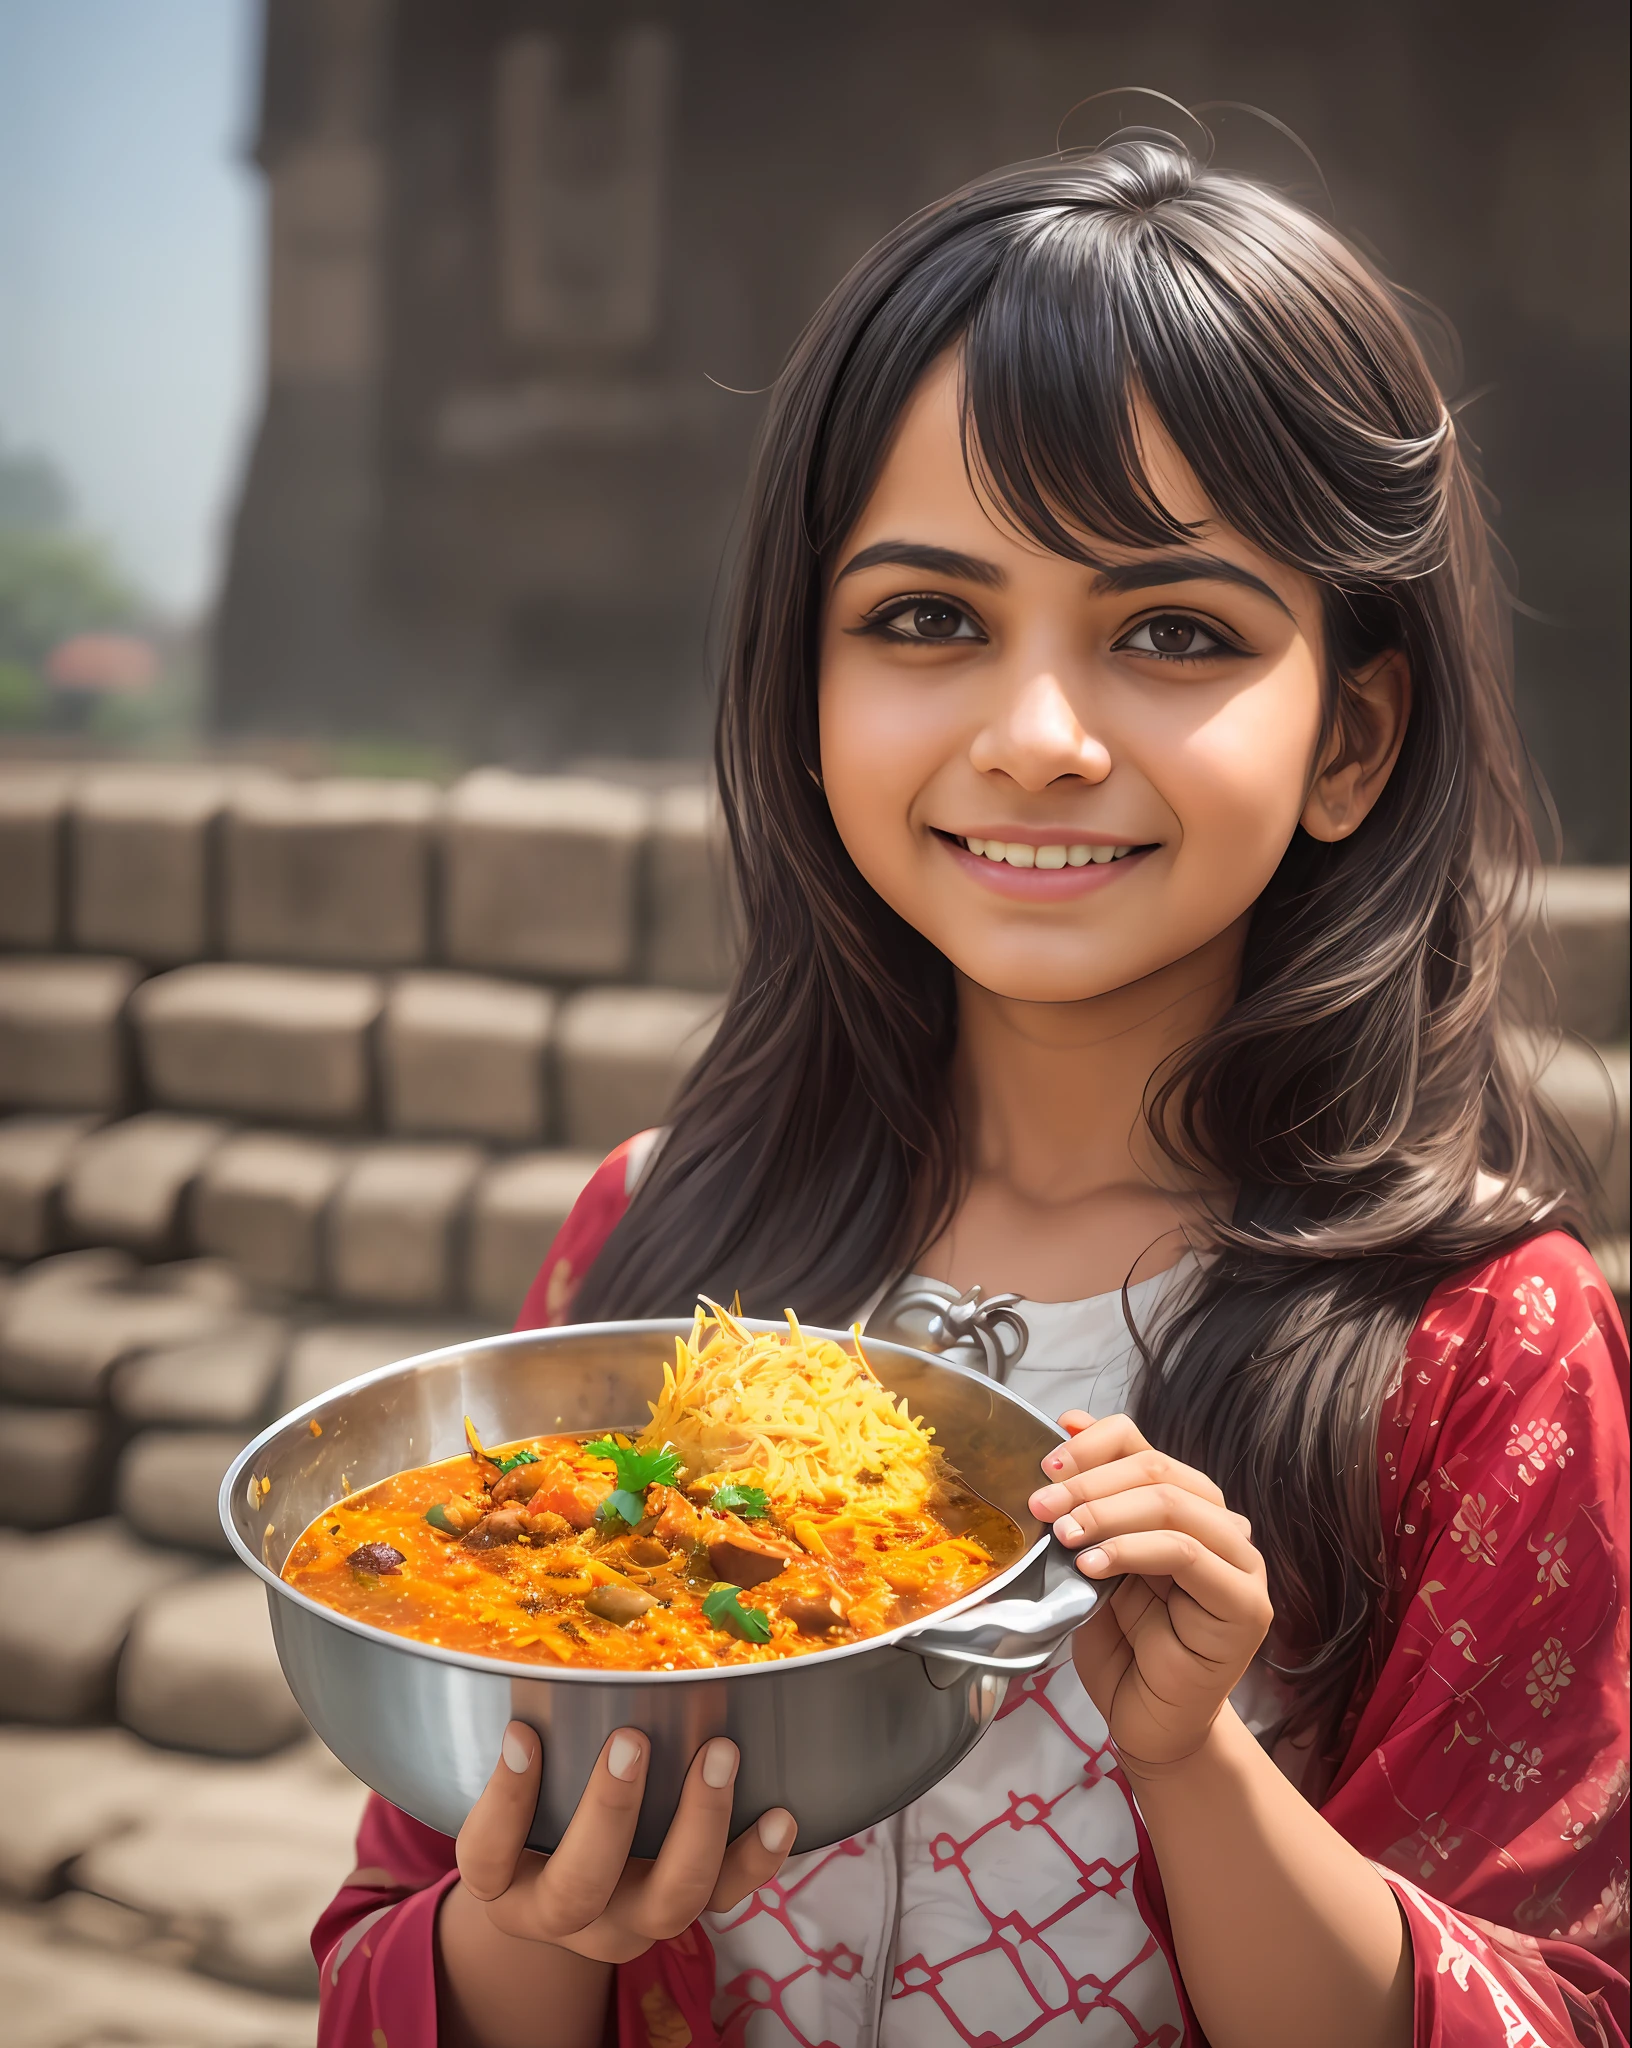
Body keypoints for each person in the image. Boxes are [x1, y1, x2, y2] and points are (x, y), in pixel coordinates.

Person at [312, 134, 1629, 2048]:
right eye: (927, 618)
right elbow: (394, 1930)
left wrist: (1195, 1763)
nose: (1036, 739)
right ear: (807, 683)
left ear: (1350, 735)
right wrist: (547, 1925)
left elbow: (1562, 2010)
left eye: (1173, 631)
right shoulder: (658, 1239)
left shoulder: (1479, 1350)